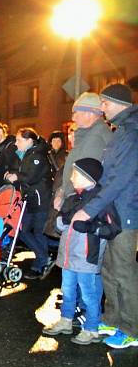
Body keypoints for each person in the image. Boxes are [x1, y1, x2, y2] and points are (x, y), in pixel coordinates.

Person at [71, 83, 138, 349]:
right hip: (115, 210)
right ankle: (114, 318)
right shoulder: (121, 130)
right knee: (110, 268)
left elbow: (120, 178)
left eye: (105, 103)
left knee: (123, 271)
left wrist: (90, 208)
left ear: (119, 103)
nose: (102, 108)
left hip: (125, 212)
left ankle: (131, 327)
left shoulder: (131, 133)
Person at [43, 158, 121, 344]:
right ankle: (66, 320)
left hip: (87, 256)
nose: (71, 177)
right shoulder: (72, 198)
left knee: (89, 293)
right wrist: (61, 223)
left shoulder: (100, 200)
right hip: (68, 255)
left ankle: (92, 328)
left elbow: (113, 228)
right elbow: (62, 221)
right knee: (67, 290)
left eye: (75, 173)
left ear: (88, 177)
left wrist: (92, 229)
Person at [5, 128, 52, 279]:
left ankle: (41, 262)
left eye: (19, 140)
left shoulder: (37, 155)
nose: (16, 143)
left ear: (29, 141)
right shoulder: (27, 154)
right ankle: (43, 258)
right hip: (30, 198)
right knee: (23, 231)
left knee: (37, 232)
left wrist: (16, 176)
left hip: (40, 199)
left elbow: (31, 176)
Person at [53, 93, 113, 211]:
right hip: (77, 201)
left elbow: (83, 179)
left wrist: (64, 195)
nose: (73, 118)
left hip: (82, 204)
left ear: (89, 113)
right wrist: (61, 193)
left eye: (76, 113)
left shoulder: (96, 138)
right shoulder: (87, 135)